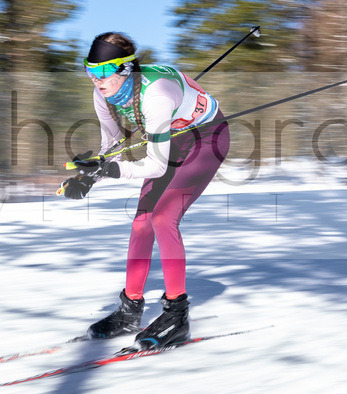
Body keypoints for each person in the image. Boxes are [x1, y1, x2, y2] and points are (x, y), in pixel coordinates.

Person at [61, 32, 230, 350]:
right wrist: (88, 178)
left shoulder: (156, 96)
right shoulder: (103, 94)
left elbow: (155, 166)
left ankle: (177, 315)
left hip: (207, 140)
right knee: (142, 222)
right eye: (89, 69)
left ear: (124, 68)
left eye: (103, 71)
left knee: (164, 218)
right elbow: (111, 146)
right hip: (174, 138)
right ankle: (130, 310)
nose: (96, 79)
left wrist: (109, 170)